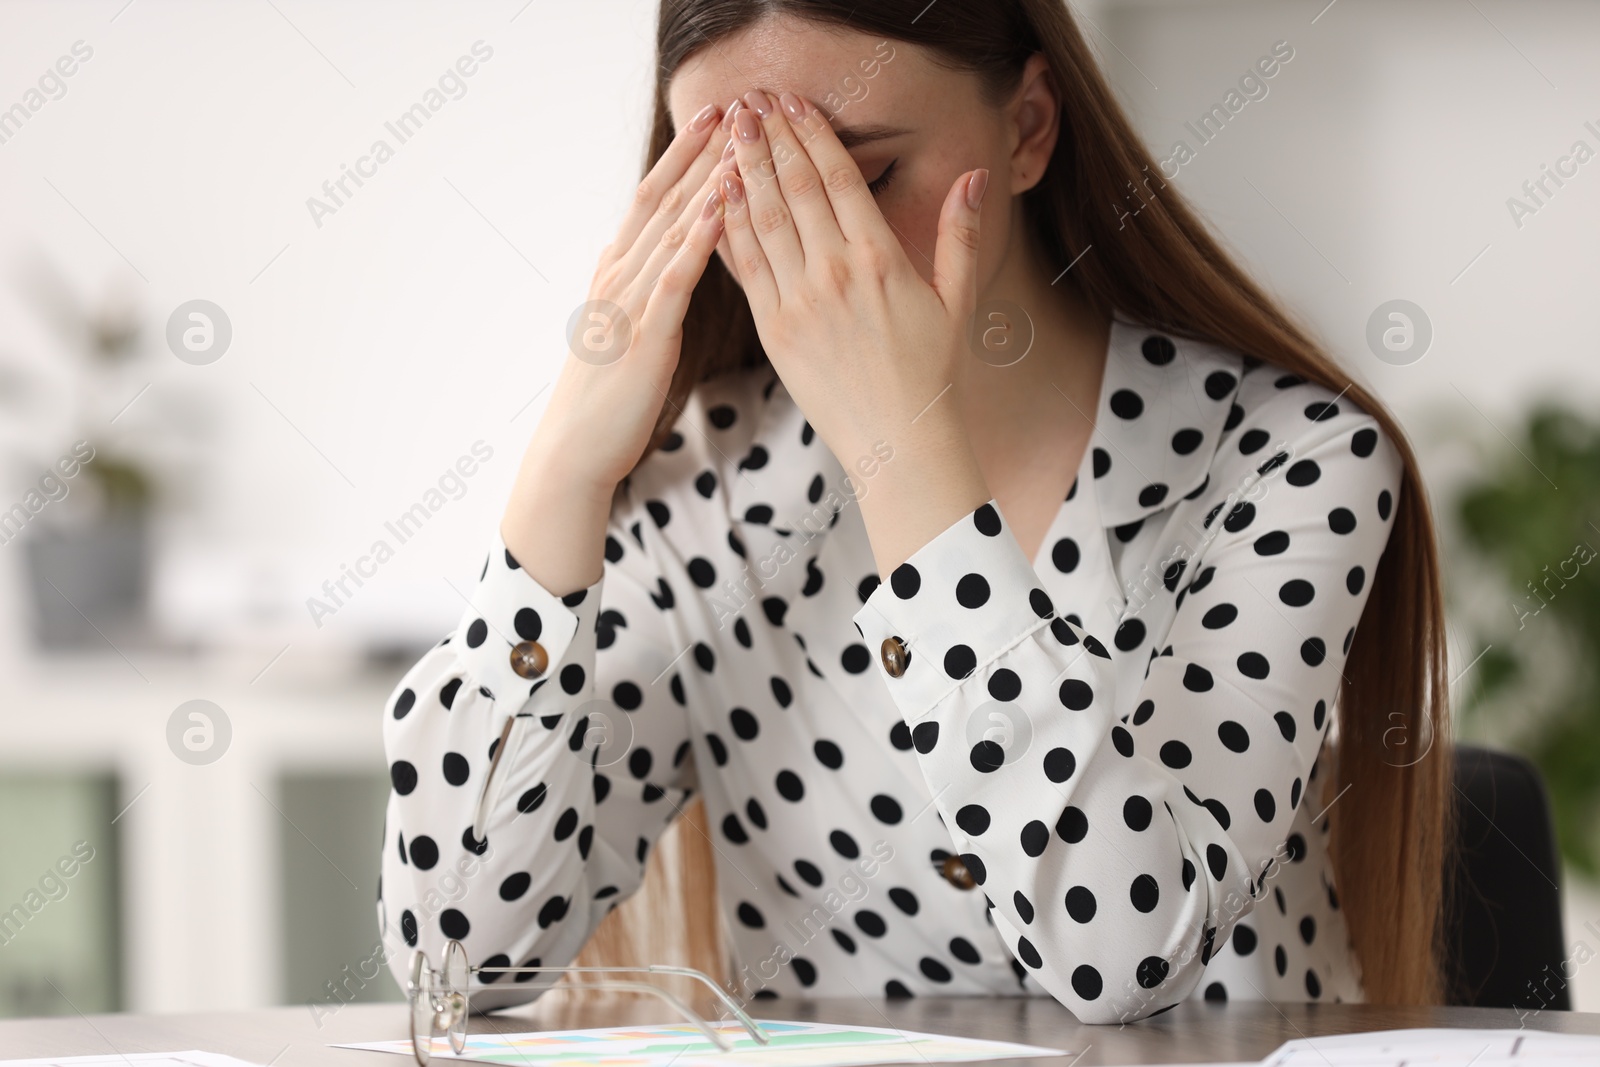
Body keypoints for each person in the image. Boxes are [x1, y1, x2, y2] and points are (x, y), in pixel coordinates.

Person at [378, 0, 1452, 1024]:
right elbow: (457, 957)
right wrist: (562, 474)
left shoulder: (1288, 457)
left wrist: (903, 449)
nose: (808, 240)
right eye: (741, 185)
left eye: (861, 173)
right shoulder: (706, 484)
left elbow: (1124, 952)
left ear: (1027, 128)